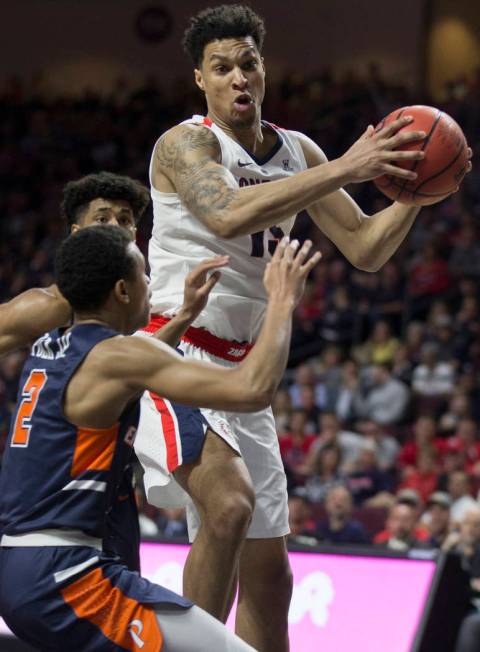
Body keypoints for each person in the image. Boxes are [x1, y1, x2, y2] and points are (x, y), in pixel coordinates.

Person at [139, 5, 471, 650]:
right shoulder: (187, 143)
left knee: (271, 579)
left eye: (249, 64)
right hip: (172, 357)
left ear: (264, 72)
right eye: (222, 67)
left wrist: (416, 194)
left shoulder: (300, 152)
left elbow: (366, 249)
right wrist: (349, 167)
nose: (239, 77)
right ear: (200, 81)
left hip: (247, 373)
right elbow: (228, 212)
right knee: (228, 506)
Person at [0, 225, 319, 651]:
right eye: (144, 275)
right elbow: (252, 389)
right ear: (122, 290)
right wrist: (281, 301)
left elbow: (126, 373)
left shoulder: (51, 348)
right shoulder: (117, 356)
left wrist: (185, 315)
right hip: (65, 576)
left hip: (21, 567)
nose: (151, 283)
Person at [0, 171, 229, 573]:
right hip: (58, 479)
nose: (117, 228)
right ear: (76, 234)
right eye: (102, 219)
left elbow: (137, 359)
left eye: (125, 220)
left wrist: (186, 317)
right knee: (227, 499)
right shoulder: (52, 304)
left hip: (109, 465)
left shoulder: (136, 290)